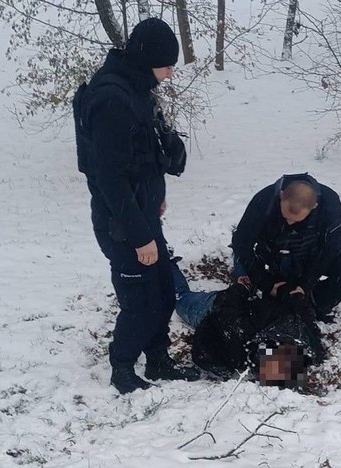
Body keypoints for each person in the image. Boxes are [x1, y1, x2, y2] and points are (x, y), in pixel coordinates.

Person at [73, 18, 198, 394]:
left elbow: (140, 157)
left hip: (142, 212)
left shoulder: (135, 87)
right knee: (140, 300)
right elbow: (110, 179)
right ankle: (122, 369)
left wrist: (156, 196)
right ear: (147, 60)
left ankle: (158, 361)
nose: (171, 74)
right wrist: (140, 237)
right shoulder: (112, 99)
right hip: (122, 222)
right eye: (166, 65)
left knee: (161, 290)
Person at [232, 173, 341, 321]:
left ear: (314, 206)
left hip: (312, 252)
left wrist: (305, 285)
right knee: (273, 299)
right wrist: (266, 284)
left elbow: (331, 248)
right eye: (286, 217)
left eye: (296, 220)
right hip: (274, 254)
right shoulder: (264, 201)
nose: (290, 223)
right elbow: (241, 242)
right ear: (281, 195)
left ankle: (314, 303)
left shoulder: (330, 206)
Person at [171, 261, 325, 388]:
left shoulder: (239, 345)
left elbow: (224, 313)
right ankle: (241, 245)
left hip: (213, 311)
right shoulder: (306, 341)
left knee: (182, 300)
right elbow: (308, 317)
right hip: (236, 307)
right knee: (245, 275)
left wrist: (240, 289)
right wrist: (293, 296)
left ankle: (168, 264)